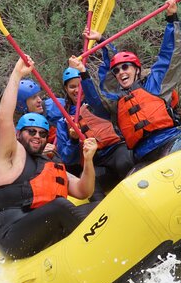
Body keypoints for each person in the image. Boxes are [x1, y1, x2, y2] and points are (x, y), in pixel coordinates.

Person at [0, 56, 99, 260]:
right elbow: (3, 118)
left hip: (41, 228)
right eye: (31, 132)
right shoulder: (11, 154)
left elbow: (83, 190)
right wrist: (17, 75)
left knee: (98, 207)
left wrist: (88, 161)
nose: (37, 136)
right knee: (60, 206)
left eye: (42, 134)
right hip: (11, 236)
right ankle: (96, 248)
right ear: (19, 134)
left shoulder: (50, 163)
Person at [79, 0, 181, 166]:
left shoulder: (155, 84)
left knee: (172, 162)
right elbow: (96, 101)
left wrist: (172, 18)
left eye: (126, 67)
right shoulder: (115, 103)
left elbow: (170, 55)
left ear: (137, 70)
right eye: (117, 71)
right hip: (143, 153)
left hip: (172, 140)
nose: (121, 72)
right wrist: (84, 72)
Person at [56, 58, 135, 192]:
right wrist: (73, 140)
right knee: (89, 183)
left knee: (125, 162)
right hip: (95, 162)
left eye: (79, 85)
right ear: (66, 88)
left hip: (116, 150)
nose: (76, 90)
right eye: (72, 86)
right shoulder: (63, 122)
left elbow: (95, 95)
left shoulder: (97, 104)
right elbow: (67, 158)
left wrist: (83, 73)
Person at [15, 79, 63, 155]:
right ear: (21, 105)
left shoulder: (55, 105)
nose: (39, 100)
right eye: (34, 97)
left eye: (38, 96)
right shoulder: (20, 130)